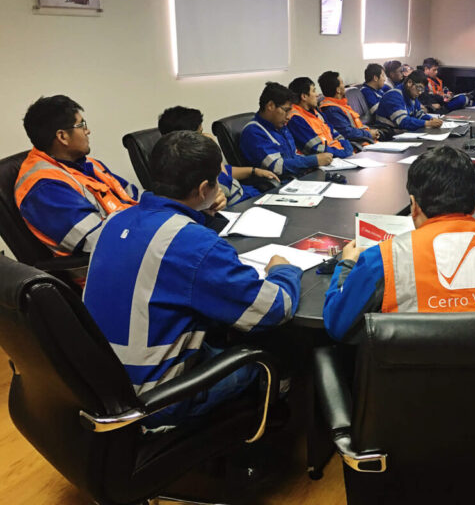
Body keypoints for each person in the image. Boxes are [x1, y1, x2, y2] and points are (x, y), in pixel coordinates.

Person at [83, 131, 303, 426]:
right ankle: (273, 426)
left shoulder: (113, 221)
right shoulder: (192, 244)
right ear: (203, 188)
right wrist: (283, 269)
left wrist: (199, 213)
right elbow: (275, 308)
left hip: (103, 384)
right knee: (281, 343)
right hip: (158, 398)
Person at [323, 146, 475, 341]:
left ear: (413, 205)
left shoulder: (381, 262)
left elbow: (337, 325)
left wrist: (346, 266)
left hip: (413, 390)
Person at [15, 95, 140, 258]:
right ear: (62, 137)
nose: (88, 131)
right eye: (82, 125)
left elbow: (135, 197)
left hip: (134, 245)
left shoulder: (88, 164)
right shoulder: (44, 187)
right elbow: (99, 240)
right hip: (109, 268)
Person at [157, 106, 276, 206]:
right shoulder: (187, 168)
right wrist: (214, 151)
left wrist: (253, 171)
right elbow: (224, 186)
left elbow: (226, 171)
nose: (204, 136)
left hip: (247, 195)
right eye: (200, 134)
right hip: (237, 206)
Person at [240, 82, 333, 178]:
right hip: (280, 185)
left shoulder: (281, 127)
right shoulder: (254, 132)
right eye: (286, 110)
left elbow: (294, 156)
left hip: (298, 178)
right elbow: (277, 166)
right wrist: (314, 160)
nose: (289, 117)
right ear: (270, 106)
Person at [287, 76, 353, 158]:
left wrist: (347, 147)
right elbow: (315, 148)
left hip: (340, 156)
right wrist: (344, 153)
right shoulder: (295, 119)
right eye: (314, 91)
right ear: (304, 96)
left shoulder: (316, 112)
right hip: (327, 161)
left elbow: (335, 133)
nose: (317, 94)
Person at [317, 70, 380, 142]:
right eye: (342, 83)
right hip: (360, 146)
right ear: (338, 90)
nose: (344, 86)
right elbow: (347, 133)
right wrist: (368, 134)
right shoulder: (331, 110)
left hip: (367, 141)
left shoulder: (340, 105)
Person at [376, 70, 444, 131]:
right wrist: (428, 123)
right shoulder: (393, 95)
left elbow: (419, 114)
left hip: (401, 131)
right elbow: (403, 121)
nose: (420, 92)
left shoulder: (412, 95)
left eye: (422, 90)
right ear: (409, 83)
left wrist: (431, 119)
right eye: (419, 88)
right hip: (388, 133)